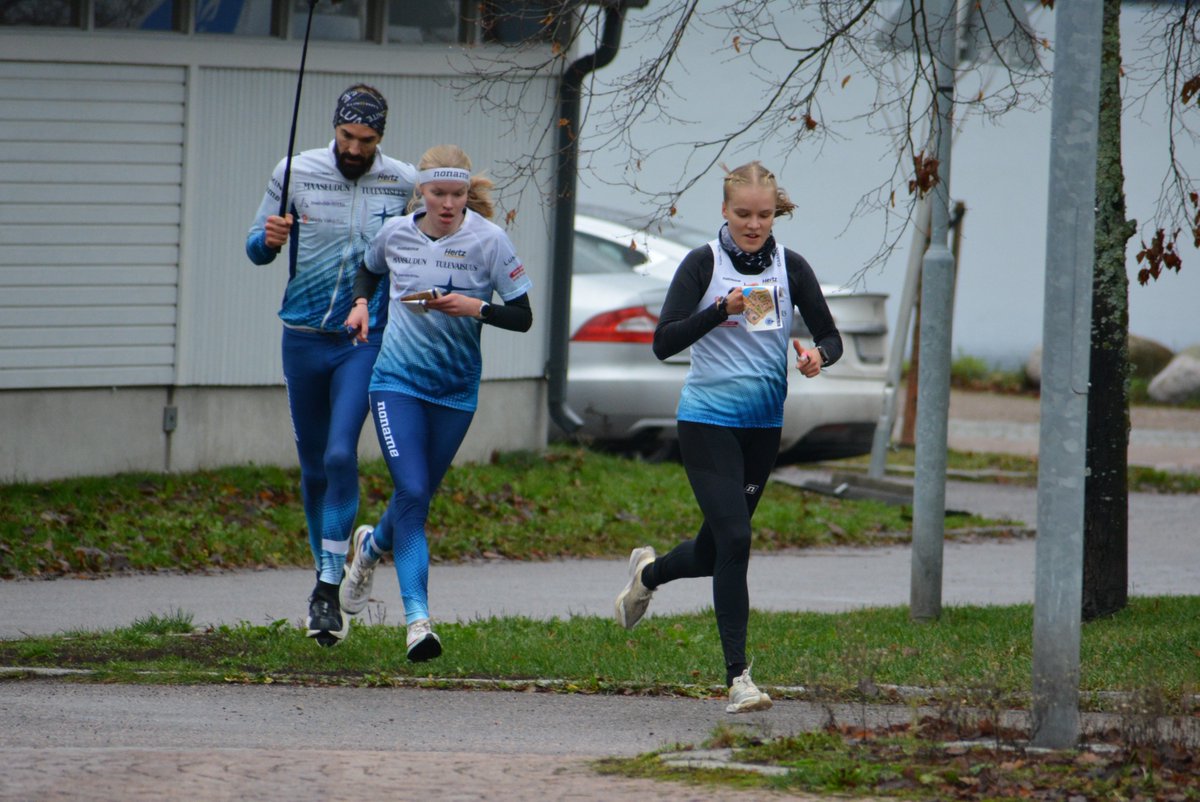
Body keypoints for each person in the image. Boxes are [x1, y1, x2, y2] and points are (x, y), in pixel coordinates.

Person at [614, 161, 843, 713]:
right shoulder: (703, 264)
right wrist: (720, 309)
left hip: (762, 428)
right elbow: (663, 342)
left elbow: (830, 335)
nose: (754, 224)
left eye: (764, 214)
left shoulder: (791, 266)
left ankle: (648, 573)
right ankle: (739, 678)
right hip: (707, 422)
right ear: (724, 210)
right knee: (736, 540)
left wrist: (817, 358)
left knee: (717, 547)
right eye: (743, 213)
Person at [339, 144, 533, 661]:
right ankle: (418, 623)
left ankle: (369, 549)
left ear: (469, 193)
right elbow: (369, 268)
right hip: (395, 382)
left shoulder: (490, 242)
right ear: (420, 191)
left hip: (454, 391)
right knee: (415, 490)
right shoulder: (396, 232)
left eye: (458, 194)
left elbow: (524, 316)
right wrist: (361, 305)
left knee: (413, 500)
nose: (448, 204)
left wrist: (477, 307)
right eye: (438, 193)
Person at [245, 85, 417, 647]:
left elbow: (427, 241)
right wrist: (267, 240)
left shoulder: (402, 182)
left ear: (380, 140)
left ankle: (325, 587)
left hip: (363, 339)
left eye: (365, 141)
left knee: (342, 452)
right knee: (315, 468)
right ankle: (329, 566)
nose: (353, 149)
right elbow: (255, 247)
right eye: (346, 137)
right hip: (302, 337)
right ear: (334, 130)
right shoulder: (295, 170)